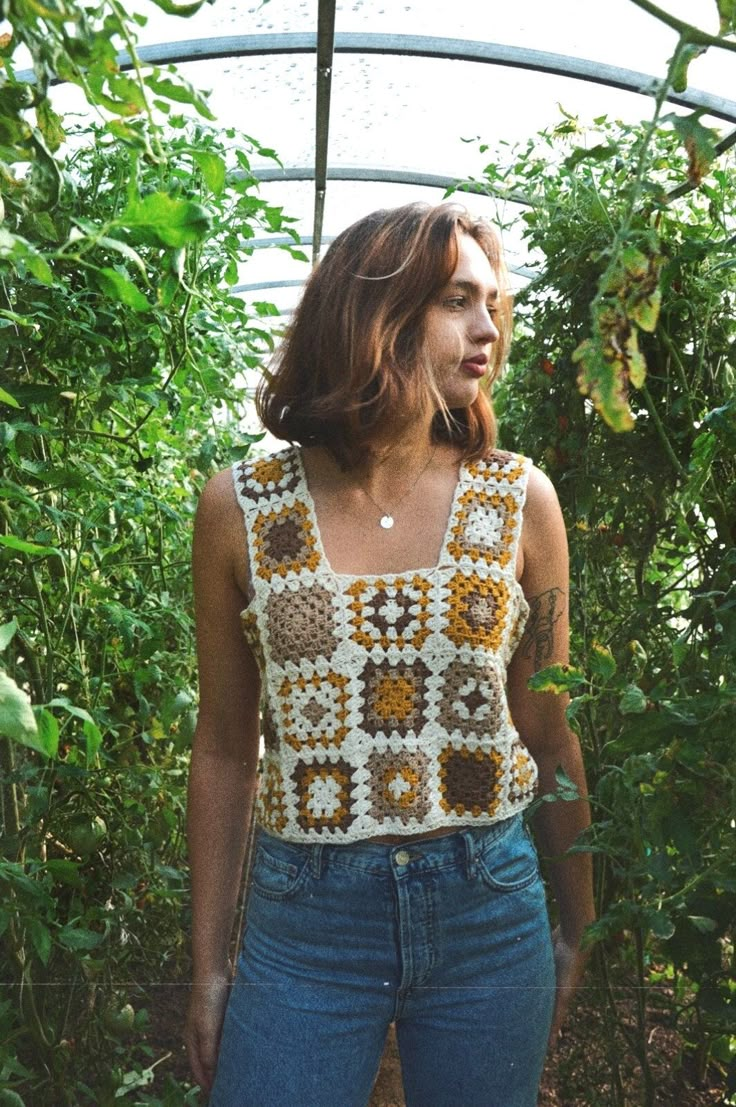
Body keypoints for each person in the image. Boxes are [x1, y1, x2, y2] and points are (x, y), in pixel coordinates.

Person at [184, 201, 595, 1107]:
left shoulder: (521, 500)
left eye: (494, 304)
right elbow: (222, 748)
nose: (489, 328)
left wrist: (581, 922)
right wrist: (208, 967)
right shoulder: (240, 508)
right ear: (375, 310)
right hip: (305, 918)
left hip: (489, 903)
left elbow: (547, 731)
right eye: (458, 300)